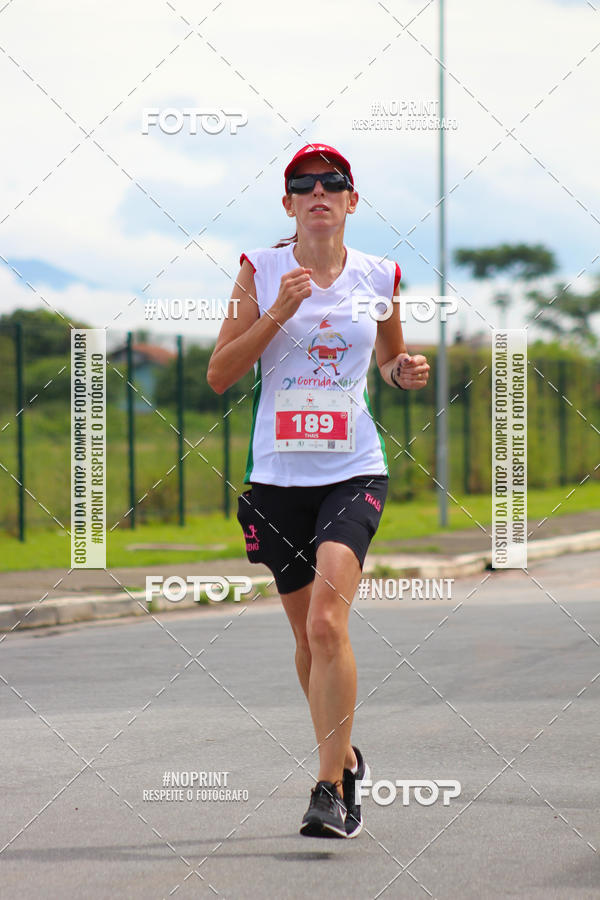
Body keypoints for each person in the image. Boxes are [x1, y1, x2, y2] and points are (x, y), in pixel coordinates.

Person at [207, 143, 430, 838]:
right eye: (303, 185)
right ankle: (348, 755)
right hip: (277, 479)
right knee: (308, 640)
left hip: (353, 469)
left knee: (328, 624)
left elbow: (389, 358)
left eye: (333, 183)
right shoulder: (260, 269)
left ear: (352, 201)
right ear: (289, 205)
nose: (318, 193)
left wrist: (404, 372)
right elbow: (219, 374)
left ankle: (329, 788)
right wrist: (276, 312)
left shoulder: (378, 274)